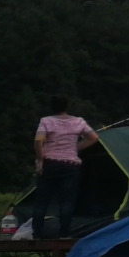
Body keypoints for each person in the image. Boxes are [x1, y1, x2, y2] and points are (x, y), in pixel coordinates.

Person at [32, 98, 99, 240]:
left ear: (52, 107)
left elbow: (39, 140)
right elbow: (94, 137)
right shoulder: (78, 122)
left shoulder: (46, 121)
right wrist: (76, 148)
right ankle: (64, 233)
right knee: (67, 200)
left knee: (42, 199)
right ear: (66, 107)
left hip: (49, 163)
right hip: (70, 164)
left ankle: (36, 233)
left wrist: (40, 159)